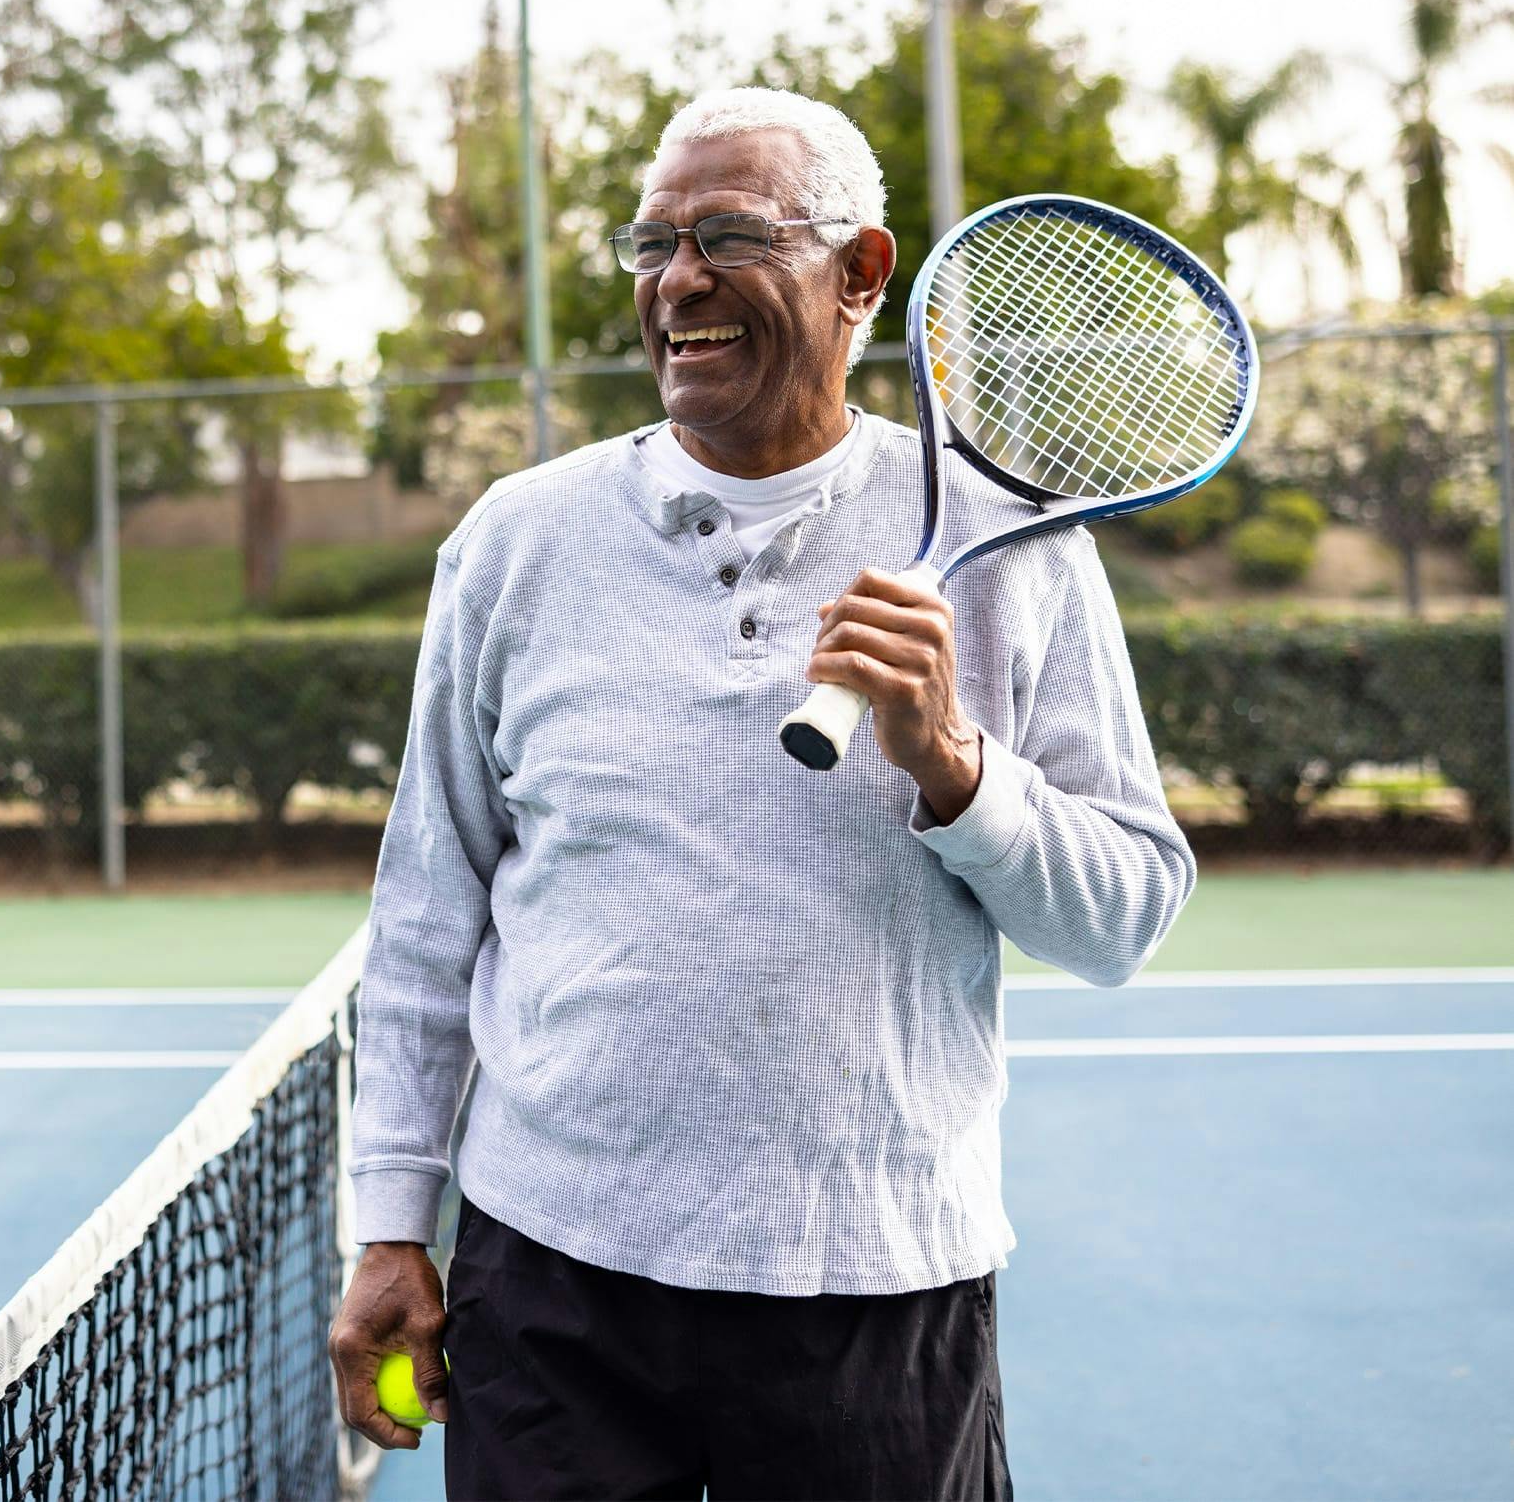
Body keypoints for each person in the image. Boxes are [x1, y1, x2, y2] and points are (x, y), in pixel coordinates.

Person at [329, 86, 1194, 1502]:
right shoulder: (516, 543)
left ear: (862, 272)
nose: (679, 281)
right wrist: (388, 1224)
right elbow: (430, 908)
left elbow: (1126, 917)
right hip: (552, 1286)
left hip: (877, 1282)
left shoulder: (1013, 547)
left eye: (728, 235)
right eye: (652, 242)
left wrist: (955, 770)